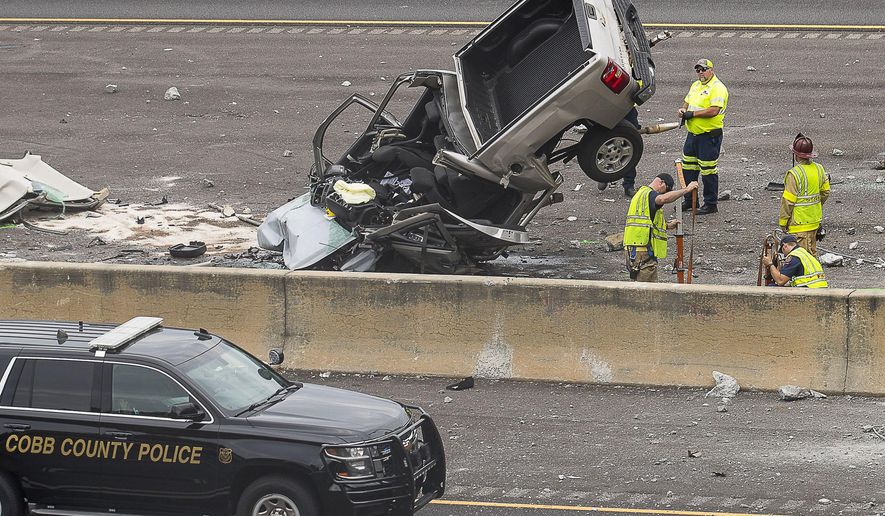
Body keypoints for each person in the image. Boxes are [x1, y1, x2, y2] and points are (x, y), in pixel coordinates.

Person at [623, 173, 699, 282]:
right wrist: (686, 190)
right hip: (643, 251)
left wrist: (667, 226)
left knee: (637, 290)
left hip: (631, 249)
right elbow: (662, 199)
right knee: (648, 293)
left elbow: (646, 221)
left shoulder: (640, 195)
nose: (665, 193)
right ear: (661, 182)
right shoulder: (650, 194)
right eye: (666, 189)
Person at [678, 58, 729, 215]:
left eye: (703, 69)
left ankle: (711, 204)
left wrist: (692, 114)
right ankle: (690, 200)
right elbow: (686, 101)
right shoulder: (696, 85)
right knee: (688, 168)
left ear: (711, 70)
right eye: (698, 70)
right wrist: (682, 109)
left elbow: (713, 110)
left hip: (708, 136)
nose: (700, 73)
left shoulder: (718, 88)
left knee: (708, 171)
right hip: (693, 135)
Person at [779, 134, 830, 255]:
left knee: (800, 259)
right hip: (814, 222)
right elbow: (826, 192)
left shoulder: (794, 174)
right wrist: (815, 206)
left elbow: (788, 201)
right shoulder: (819, 169)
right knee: (812, 255)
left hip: (799, 224)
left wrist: (783, 221)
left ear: (796, 154)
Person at [596, 107, 640, 197]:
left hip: (626, 105)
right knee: (604, 143)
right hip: (607, 106)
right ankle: (604, 174)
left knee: (629, 150)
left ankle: (629, 185)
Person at [762, 234, 828, 288]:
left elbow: (780, 281)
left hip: (809, 290)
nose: (784, 255)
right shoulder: (805, 253)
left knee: (771, 287)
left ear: (784, 246)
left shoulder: (794, 257)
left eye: (783, 251)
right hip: (820, 287)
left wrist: (770, 264)